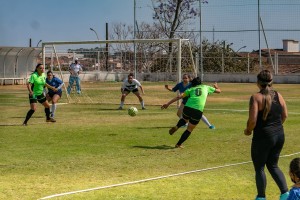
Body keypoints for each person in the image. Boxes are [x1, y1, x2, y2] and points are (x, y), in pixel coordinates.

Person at [243, 69, 289, 200]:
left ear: (258, 82)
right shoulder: (278, 95)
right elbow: (284, 115)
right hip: (279, 135)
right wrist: (276, 127)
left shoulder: (256, 97)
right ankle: (285, 195)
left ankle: (261, 197)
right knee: (273, 165)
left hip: (263, 137)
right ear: (271, 81)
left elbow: (252, 121)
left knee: (259, 168)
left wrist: (248, 130)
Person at [161, 77, 221, 148]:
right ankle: (178, 144)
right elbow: (219, 91)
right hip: (198, 110)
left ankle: (177, 126)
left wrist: (167, 104)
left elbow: (179, 97)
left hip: (187, 108)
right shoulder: (206, 87)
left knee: (184, 119)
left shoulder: (190, 89)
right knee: (189, 129)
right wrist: (216, 87)